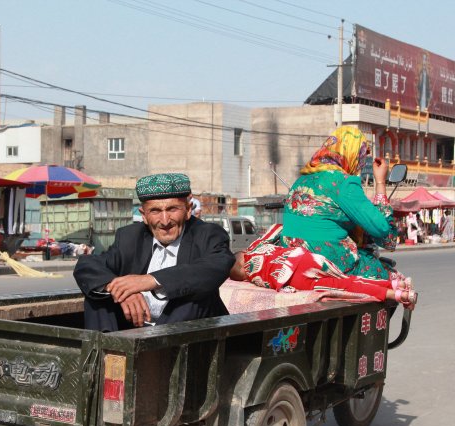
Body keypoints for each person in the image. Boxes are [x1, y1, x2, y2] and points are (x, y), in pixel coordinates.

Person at [74, 173, 234, 331]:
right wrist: (120, 289)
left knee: (194, 295)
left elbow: (216, 266)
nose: (165, 221)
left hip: (188, 336)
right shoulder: (129, 237)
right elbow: (88, 265)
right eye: (155, 211)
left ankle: (158, 355)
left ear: (188, 210)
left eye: (172, 209)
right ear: (143, 215)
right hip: (136, 328)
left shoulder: (208, 234)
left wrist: (151, 280)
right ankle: (109, 352)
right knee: (97, 294)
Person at [281, 126, 404, 283]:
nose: (361, 164)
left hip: (292, 258)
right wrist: (380, 181)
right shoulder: (343, 183)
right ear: (352, 155)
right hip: (325, 260)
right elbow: (384, 233)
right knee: (393, 277)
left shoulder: (301, 180)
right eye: (361, 158)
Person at [229, 224, 417, 309]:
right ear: (243, 255)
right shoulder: (255, 247)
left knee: (345, 287)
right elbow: (277, 227)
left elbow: (272, 283)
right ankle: (393, 284)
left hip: (294, 278)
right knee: (345, 277)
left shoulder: (253, 277)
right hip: (303, 258)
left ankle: (398, 294)